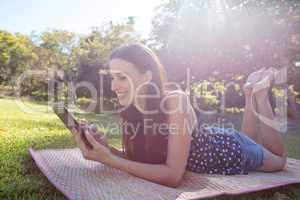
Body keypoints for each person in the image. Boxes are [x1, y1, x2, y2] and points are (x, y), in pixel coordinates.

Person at [72, 43, 287, 187]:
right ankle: (250, 92)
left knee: (279, 160)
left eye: (121, 77)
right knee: (250, 137)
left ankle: (259, 95)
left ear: (146, 76)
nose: (114, 85)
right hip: (216, 140)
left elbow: (173, 175)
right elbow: (138, 160)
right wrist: (104, 148)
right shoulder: (131, 110)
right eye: (112, 77)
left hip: (229, 148)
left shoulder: (174, 100)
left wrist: (110, 160)